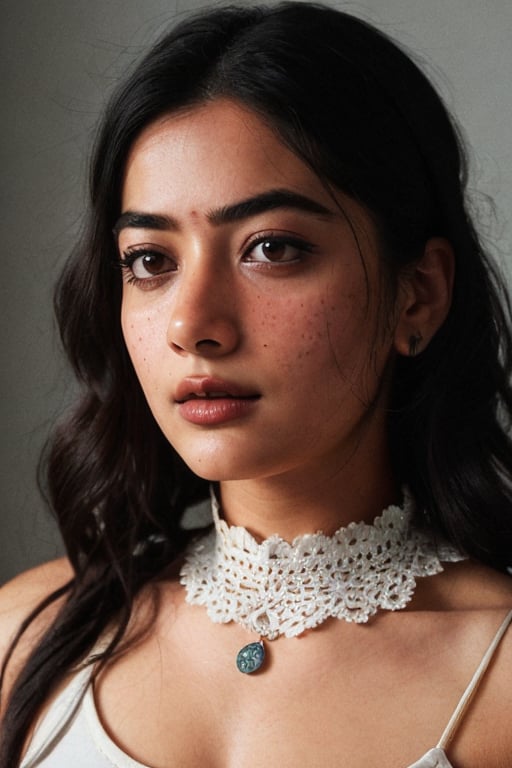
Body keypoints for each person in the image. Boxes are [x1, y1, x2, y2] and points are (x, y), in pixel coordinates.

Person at [1, 2, 512, 766]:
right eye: (150, 260)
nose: (193, 323)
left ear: (419, 295)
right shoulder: (25, 636)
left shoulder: (498, 673)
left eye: (271, 248)